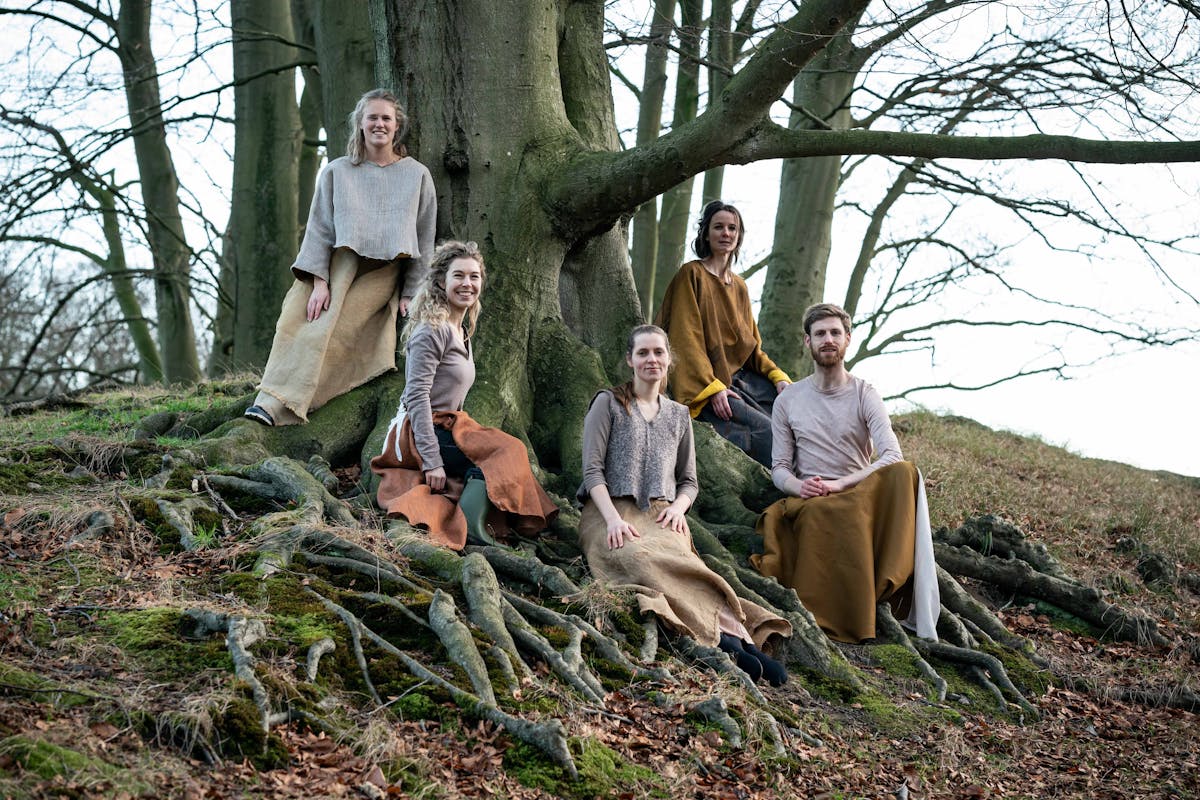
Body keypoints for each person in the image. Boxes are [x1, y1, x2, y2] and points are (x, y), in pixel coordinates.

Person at [578, 324, 791, 685]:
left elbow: (689, 482)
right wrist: (612, 519)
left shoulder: (678, 415)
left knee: (688, 566)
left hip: (662, 515)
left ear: (668, 359)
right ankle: (719, 641)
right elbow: (592, 471)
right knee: (640, 559)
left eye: (658, 352)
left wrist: (678, 508)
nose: (651, 359)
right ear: (629, 360)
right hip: (608, 512)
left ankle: (739, 638)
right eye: (643, 353)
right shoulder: (608, 403)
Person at [245, 88, 437, 427]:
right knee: (299, 326)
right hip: (337, 267)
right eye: (372, 117)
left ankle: (288, 405)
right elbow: (319, 228)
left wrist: (412, 291)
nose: (379, 124)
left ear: (397, 126)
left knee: (337, 334)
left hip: (384, 272)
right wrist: (319, 282)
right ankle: (268, 402)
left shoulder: (417, 174)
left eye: (386, 118)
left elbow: (424, 237)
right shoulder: (337, 171)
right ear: (361, 124)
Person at [751, 303, 939, 643]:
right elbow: (779, 468)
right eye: (820, 333)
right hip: (813, 497)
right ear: (807, 341)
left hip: (858, 491)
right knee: (825, 512)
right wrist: (798, 486)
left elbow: (892, 455)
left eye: (835, 333)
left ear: (847, 339)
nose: (828, 339)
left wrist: (842, 483)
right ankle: (839, 615)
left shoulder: (865, 392)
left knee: (905, 473)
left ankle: (890, 588)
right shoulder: (788, 400)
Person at [369, 240, 558, 550]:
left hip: (449, 425)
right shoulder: (432, 331)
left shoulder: (461, 331)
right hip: (420, 432)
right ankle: (471, 525)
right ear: (441, 282)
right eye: (458, 275)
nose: (467, 283)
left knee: (507, 450)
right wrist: (432, 461)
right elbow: (416, 397)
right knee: (505, 452)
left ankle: (478, 508)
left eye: (474, 276)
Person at [655, 201, 790, 468]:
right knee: (769, 436)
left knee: (793, 417)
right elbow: (685, 339)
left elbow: (751, 347)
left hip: (742, 380)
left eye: (732, 228)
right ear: (706, 233)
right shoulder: (691, 274)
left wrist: (778, 377)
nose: (726, 233)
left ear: (739, 236)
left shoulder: (739, 286)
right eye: (718, 227)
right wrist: (711, 389)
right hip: (705, 385)